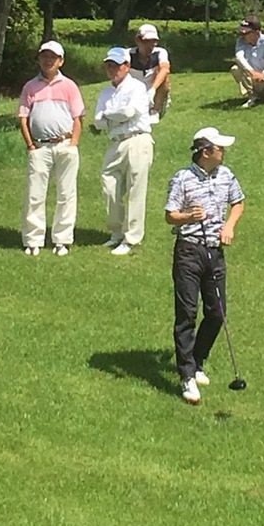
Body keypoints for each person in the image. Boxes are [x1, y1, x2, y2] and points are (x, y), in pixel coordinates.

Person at [165, 126, 245, 405]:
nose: (224, 152)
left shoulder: (226, 175)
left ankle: (198, 360)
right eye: (219, 148)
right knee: (187, 313)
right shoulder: (182, 179)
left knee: (217, 312)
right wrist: (188, 216)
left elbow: (238, 203)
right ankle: (187, 375)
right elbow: (170, 215)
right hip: (188, 252)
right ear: (205, 152)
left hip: (215, 252)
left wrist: (229, 226)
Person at [17, 41, 84, 257]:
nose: (48, 61)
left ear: (61, 61)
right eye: (44, 56)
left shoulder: (70, 86)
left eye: (53, 57)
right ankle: (33, 240)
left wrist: (73, 144)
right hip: (40, 146)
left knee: (66, 194)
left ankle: (62, 240)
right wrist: (30, 145)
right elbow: (23, 118)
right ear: (39, 59)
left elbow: (78, 118)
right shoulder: (30, 87)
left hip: (65, 144)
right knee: (35, 194)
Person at [93, 46, 154, 256]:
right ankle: (116, 232)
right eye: (109, 66)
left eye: (116, 66)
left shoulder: (137, 87)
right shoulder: (105, 92)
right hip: (116, 142)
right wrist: (113, 116)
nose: (112, 70)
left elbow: (128, 112)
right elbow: (97, 122)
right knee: (109, 184)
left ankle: (132, 238)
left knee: (136, 189)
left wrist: (108, 115)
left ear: (127, 66)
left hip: (137, 139)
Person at [128, 24, 171, 124]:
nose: (151, 45)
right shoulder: (128, 55)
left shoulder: (160, 52)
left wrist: (152, 90)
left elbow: (165, 69)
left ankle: (154, 111)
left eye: (154, 41)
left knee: (165, 78)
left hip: (154, 93)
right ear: (138, 40)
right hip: (135, 93)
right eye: (147, 41)